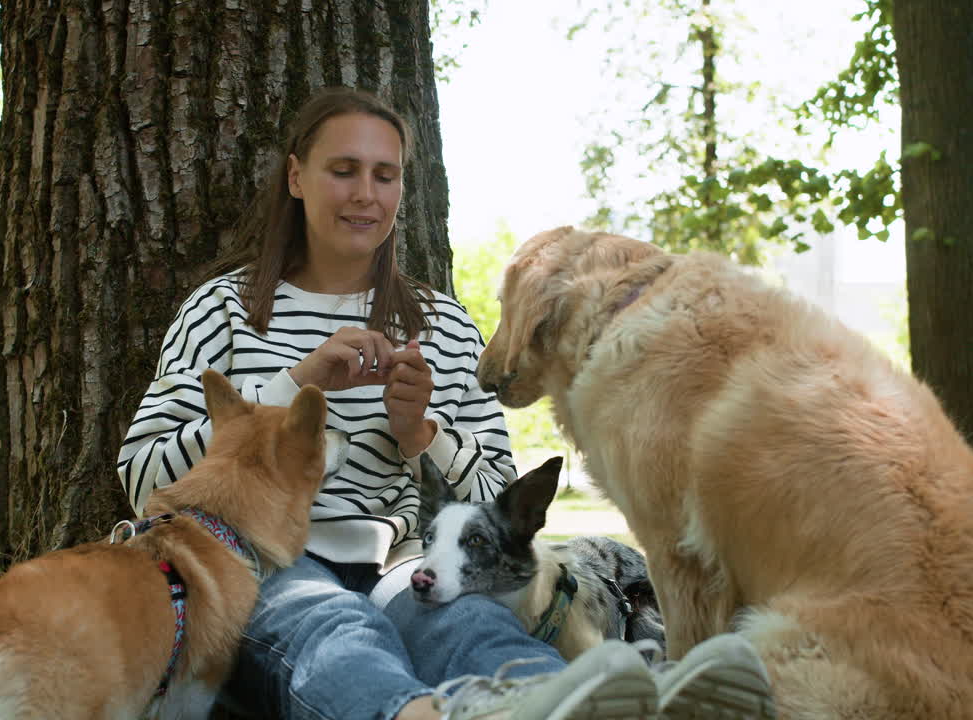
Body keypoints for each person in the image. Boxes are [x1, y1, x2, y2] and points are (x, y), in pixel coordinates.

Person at [117, 86, 774, 720]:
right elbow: (141, 476)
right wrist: (294, 386)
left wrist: (423, 434)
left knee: (471, 623)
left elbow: (501, 497)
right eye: (343, 171)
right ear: (296, 177)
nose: (365, 194)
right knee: (330, 623)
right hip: (249, 570)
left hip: (395, 568)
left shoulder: (443, 325)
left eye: (385, 175)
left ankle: (567, 704)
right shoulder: (222, 311)